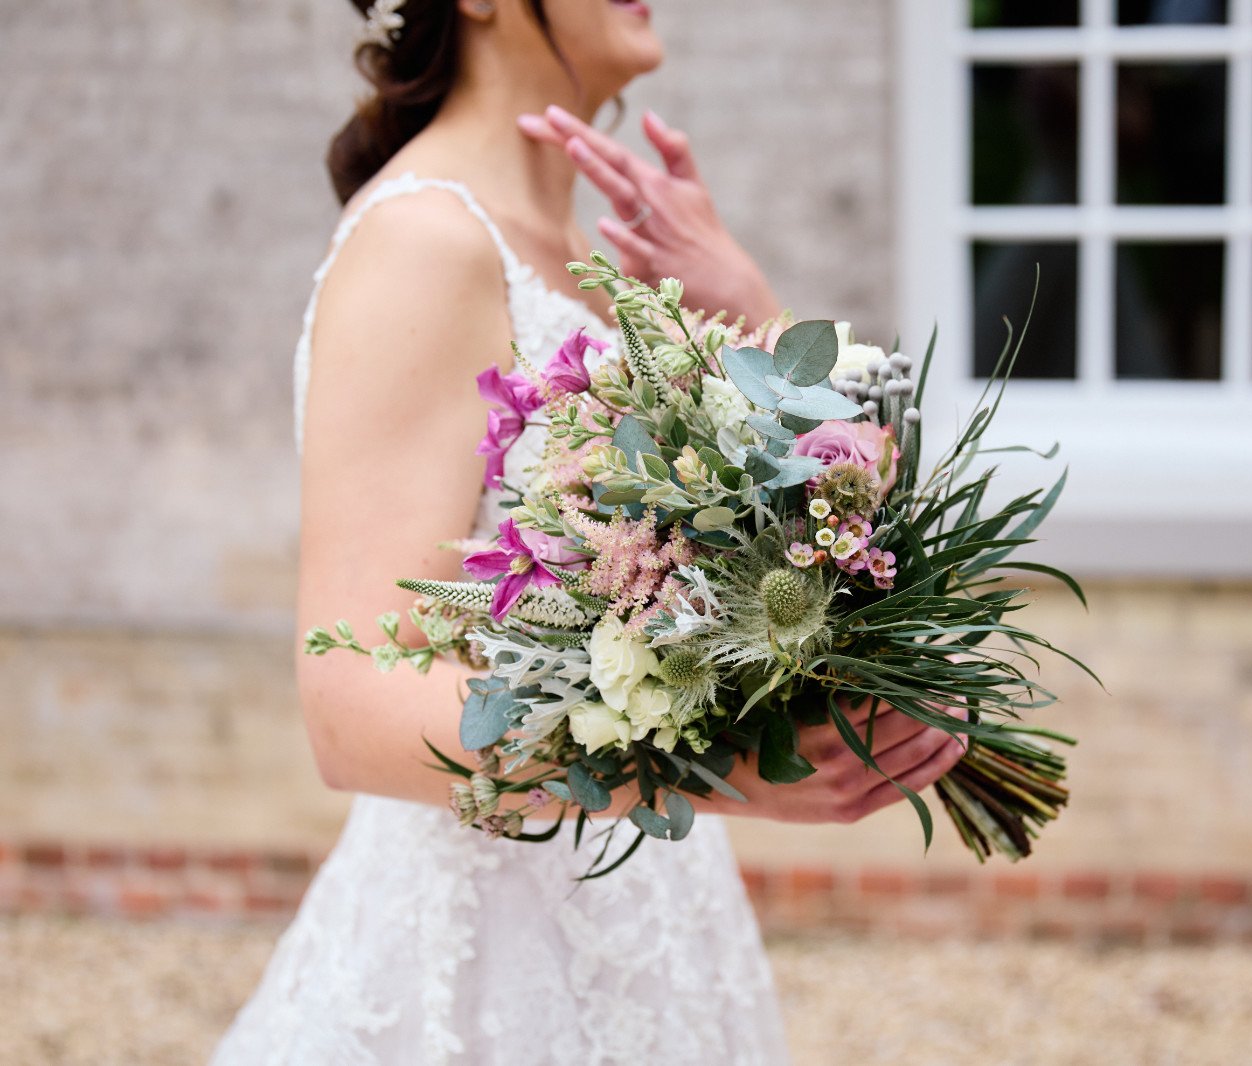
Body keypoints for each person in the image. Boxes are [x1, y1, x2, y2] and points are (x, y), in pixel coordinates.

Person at [213, 2, 966, 1062]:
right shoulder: (425, 244)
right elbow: (351, 702)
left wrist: (752, 315)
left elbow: (762, 563)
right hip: (489, 954)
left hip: (649, 899)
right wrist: (723, 774)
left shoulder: (588, 257)